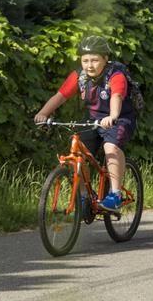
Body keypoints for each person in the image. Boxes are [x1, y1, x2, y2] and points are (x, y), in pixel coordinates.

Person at [33, 35, 138, 211]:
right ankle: (83, 196)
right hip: (94, 118)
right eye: (85, 60)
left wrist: (112, 116)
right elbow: (60, 96)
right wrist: (43, 113)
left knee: (110, 147)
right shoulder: (79, 76)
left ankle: (115, 195)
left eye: (95, 60)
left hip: (119, 117)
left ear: (105, 59)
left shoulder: (115, 75)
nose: (89, 65)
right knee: (76, 152)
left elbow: (117, 96)